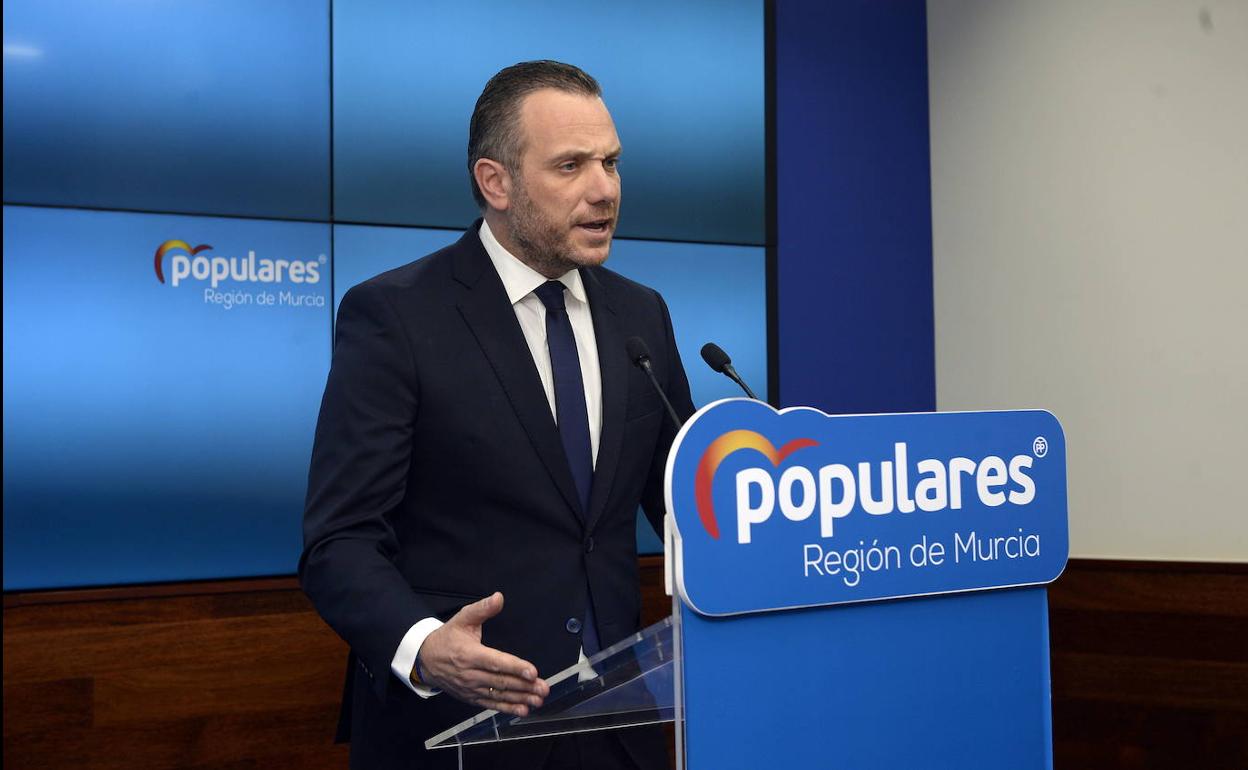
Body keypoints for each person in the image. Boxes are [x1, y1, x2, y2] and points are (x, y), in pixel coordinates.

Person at [300, 60, 694, 769]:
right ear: (496, 182)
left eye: (611, 162)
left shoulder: (642, 315)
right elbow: (340, 541)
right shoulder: (396, 316)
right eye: (571, 165)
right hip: (461, 730)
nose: (604, 189)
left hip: (619, 730)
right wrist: (424, 645)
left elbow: (683, 507)